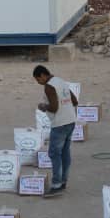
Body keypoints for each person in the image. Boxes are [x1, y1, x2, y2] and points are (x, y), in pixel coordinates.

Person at [33, 65, 78, 196]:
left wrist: (43, 106)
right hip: (71, 121)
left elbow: (53, 107)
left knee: (54, 154)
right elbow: (75, 100)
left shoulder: (49, 86)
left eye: (38, 80)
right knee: (65, 152)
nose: (38, 83)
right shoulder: (60, 81)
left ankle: (56, 184)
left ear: (42, 75)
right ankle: (64, 181)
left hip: (60, 124)